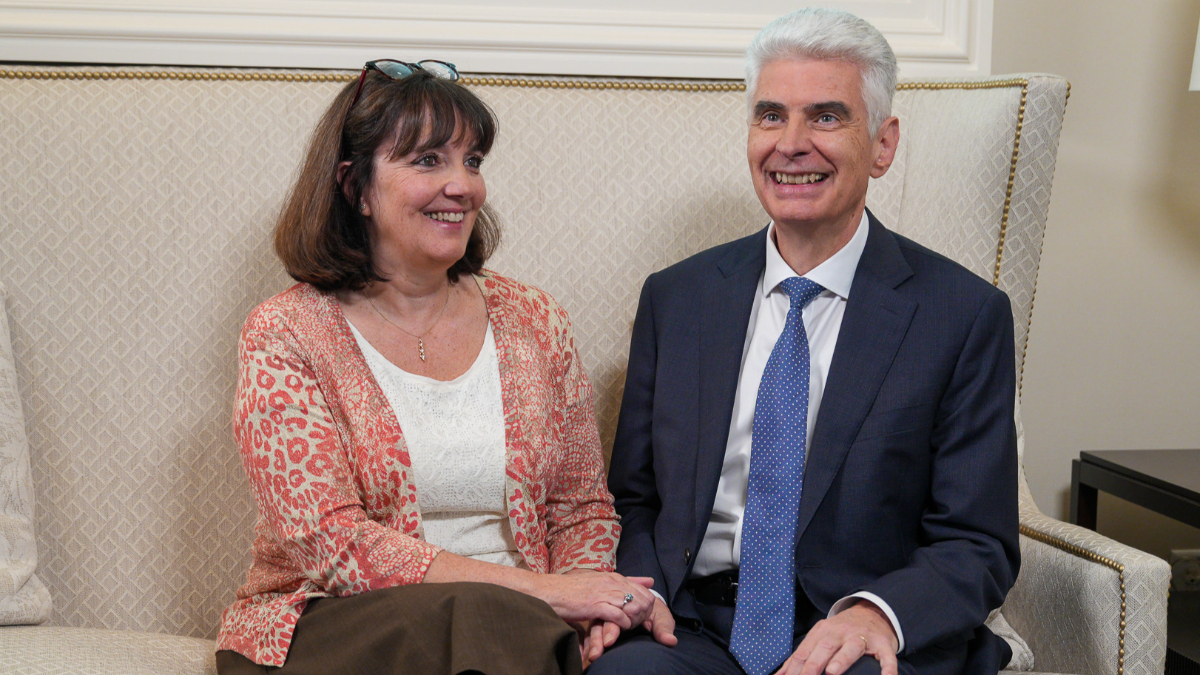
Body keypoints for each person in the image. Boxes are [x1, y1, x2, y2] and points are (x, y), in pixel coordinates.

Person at [588, 9, 1019, 675]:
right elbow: (634, 499)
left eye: (825, 116)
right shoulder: (677, 299)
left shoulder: (961, 315)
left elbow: (977, 540)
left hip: (855, 629)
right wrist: (639, 595)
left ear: (883, 142)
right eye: (770, 115)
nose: (791, 143)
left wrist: (878, 612)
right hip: (693, 625)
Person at [214, 59, 656, 675]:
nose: (463, 185)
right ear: (354, 187)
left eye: (472, 161)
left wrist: (594, 599)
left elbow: (580, 505)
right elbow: (331, 543)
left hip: (522, 637)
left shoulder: (534, 318)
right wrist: (545, 593)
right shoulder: (285, 332)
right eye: (428, 161)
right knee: (483, 618)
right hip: (331, 627)